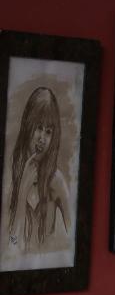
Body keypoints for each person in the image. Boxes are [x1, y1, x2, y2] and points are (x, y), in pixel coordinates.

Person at [6, 86, 71, 251]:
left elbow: (74, 242)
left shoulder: (56, 180)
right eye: (38, 128)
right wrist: (22, 193)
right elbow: (12, 248)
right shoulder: (12, 173)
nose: (42, 138)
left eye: (48, 132)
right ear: (28, 126)